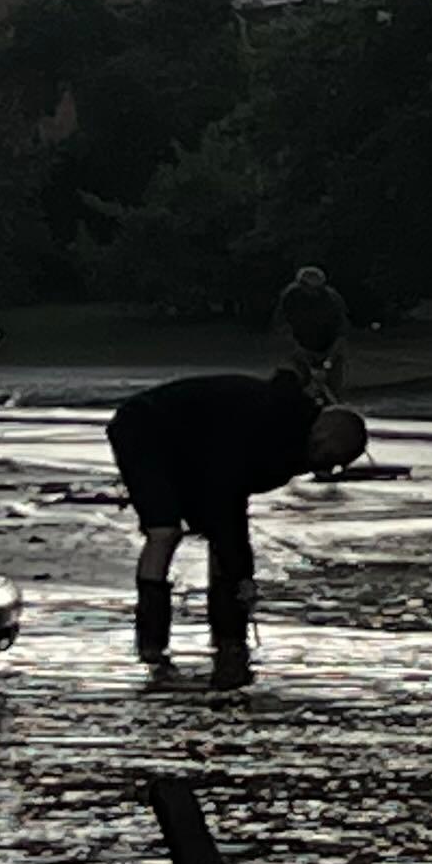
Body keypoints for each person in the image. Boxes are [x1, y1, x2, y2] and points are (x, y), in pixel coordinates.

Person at [106, 368, 370, 688]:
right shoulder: (268, 430)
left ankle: (227, 633)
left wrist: (239, 572)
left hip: (193, 452)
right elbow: (225, 496)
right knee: (165, 532)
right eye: (331, 457)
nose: (328, 468)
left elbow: (231, 499)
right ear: (322, 436)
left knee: (222, 541)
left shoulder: (289, 440)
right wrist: (241, 570)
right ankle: (151, 641)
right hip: (144, 429)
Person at [274, 265, 349, 408]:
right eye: (309, 288)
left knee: (332, 388)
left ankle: (334, 413)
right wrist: (297, 350)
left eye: (318, 288)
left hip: (329, 346)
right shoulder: (290, 297)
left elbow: (341, 331)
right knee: (301, 384)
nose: (314, 292)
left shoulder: (332, 299)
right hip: (302, 346)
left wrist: (329, 359)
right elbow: (283, 325)